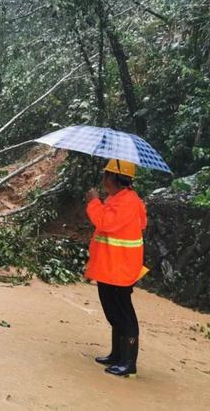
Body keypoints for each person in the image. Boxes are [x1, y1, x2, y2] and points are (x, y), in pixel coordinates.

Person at [84, 159, 147, 377]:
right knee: (113, 311)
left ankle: (128, 362)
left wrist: (93, 202)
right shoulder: (118, 199)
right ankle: (117, 355)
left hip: (120, 269)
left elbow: (106, 223)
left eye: (106, 175)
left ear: (114, 178)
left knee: (123, 314)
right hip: (110, 267)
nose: (103, 179)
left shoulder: (128, 202)